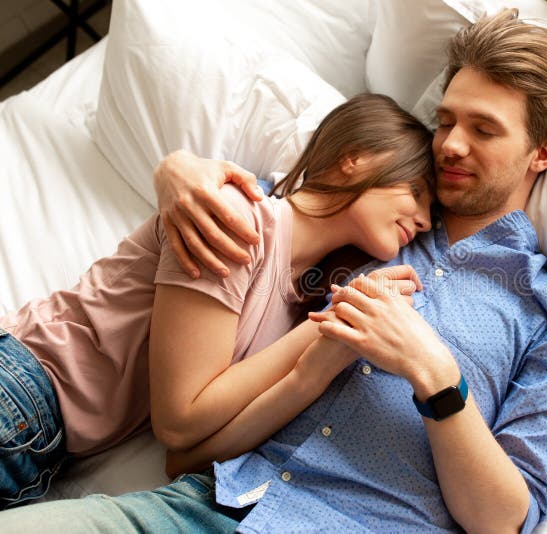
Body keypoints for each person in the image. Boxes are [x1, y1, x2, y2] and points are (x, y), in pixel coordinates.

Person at [1, 8, 547, 532]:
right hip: (202, 507)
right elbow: (267, 210)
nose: (449, 144)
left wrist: (435, 375)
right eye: (446, 120)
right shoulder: (364, 230)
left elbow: (502, 520)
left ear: (542, 153)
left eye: (484, 129)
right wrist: (177, 169)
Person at [0, 93, 434, 509]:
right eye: (415, 191)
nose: (424, 219)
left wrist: (314, 361)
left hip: (43, 451)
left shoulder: (293, 306)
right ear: (355, 158)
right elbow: (178, 421)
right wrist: (322, 329)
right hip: (24, 384)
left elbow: (183, 459)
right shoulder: (236, 218)